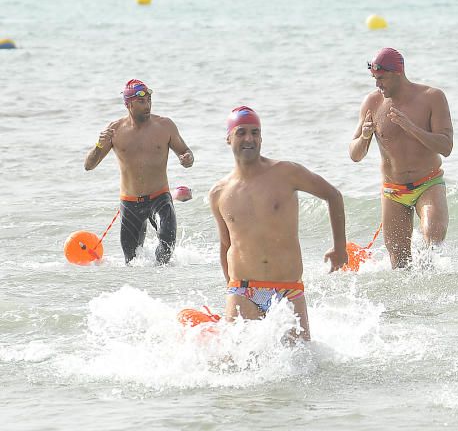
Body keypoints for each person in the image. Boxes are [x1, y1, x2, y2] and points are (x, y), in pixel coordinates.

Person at [209, 106, 348, 341]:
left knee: (302, 364)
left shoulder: (286, 173)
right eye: (241, 132)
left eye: (255, 132)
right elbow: (226, 244)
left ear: (261, 137)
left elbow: (333, 196)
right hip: (243, 289)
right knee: (236, 366)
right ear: (229, 138)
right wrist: (230, 289)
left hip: (287, 288)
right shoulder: (219, 193)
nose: (249, 139)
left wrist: (340, 248)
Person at [349, 47, 454, 268]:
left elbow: (446, 147)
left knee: (433, 242)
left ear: (398, 73)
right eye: (374, 79)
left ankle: (433, 297)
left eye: (382, 78)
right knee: (399, 264)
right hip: (393, 191)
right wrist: (365, 136)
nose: (378, 85)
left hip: (428, 183)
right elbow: (355, 154)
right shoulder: (372, 103)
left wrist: (411, 127)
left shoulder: (432, 98)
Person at [84, 79, 194, 264]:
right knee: (131, 262)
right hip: (130, 204)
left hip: (160, 199)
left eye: (149, 100)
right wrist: (98, 145)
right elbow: (89, 165)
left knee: (166, 251)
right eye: (142, 101)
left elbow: (186, 153)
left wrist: (187, 159)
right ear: (128, 104)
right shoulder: (114, 130)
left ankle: (165, 289)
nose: (148, 105)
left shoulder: (165, 126)